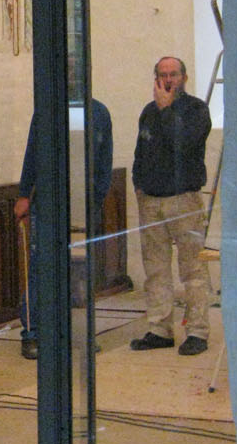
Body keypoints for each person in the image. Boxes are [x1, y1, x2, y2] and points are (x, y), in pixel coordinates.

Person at [14, 97, 113, 360]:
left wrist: (96, 199)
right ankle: (33, 333)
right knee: (41, 268)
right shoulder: (47, 109)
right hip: (48, 204)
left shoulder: (99, 112)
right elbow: (32, 153)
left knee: (80, 270)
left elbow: (104, 161)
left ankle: (79, 331)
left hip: (81, 207)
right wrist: (24, 194)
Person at [130, 55, 212, 356]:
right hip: (151, 201)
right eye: (162, 74)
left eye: (173, 74)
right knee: (155, 270)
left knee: (193, 269)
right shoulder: (148, 112)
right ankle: (160, 329)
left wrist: (166, 110)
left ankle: (197, 331)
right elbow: (141, 152)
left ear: (184, 78)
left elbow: (184, 143)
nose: (168, 80)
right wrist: (139, 185)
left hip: (183, 201)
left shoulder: (196, 110)